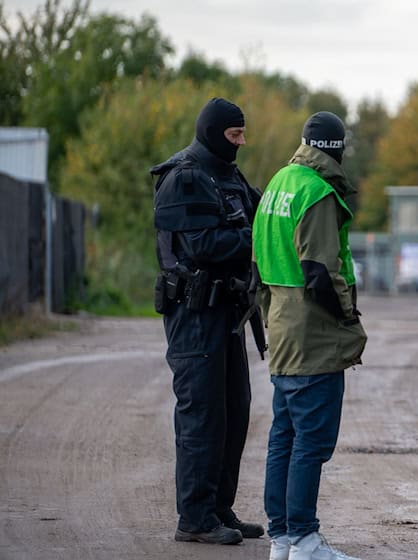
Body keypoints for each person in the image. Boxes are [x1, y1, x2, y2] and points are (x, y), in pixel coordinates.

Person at [252, 111, 367, 560]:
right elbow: (320, 270)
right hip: (312, 333)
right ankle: (304, 538)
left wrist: (268, 313)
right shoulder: (318, 192)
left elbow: (257, 265)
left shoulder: (278, 184)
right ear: (337, 150)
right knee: (312, 441)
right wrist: (348, 319)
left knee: (284, 434)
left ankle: (280, 538)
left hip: (281, 323)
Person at [151, 97, 264, 545]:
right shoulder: (183, 177)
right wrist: (252, 240)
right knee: (202, 416)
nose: (238, 143)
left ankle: (218, 508)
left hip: (228, 312)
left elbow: (258, 216)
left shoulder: (229, 176)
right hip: (194, 313)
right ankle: (194, 518)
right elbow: (202, 245)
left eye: (241, 135)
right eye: (233, 135)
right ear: (214, 132)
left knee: (235, 412)